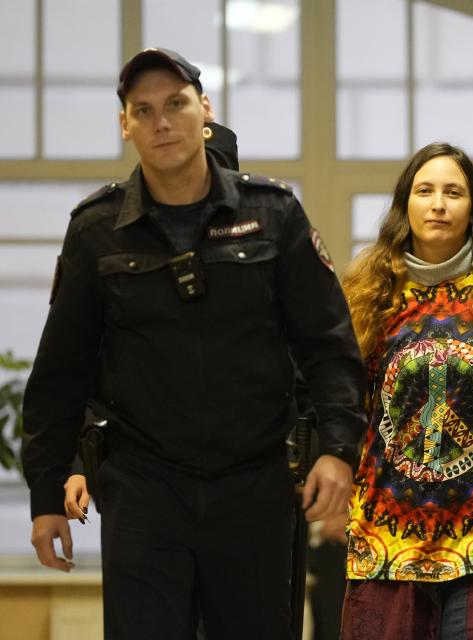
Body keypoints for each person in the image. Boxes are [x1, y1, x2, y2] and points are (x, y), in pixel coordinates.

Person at [22, 47, 367, 640]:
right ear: (125, 124)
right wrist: (47, 492)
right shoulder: (96, 229)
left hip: (254, 486)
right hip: (144, 490)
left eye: (176, 104)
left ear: (204, 109)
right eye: (143, 109)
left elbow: (329, 347)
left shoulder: (273, 214)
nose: (162, 122)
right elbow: (61, 373)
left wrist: (338, 449)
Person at [339, 142, 473, 639]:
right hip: (386, 537)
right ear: (406, 203)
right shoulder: (368, 295)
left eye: (454, 192)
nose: (439, 204)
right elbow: (339, 401)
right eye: (425, 191)